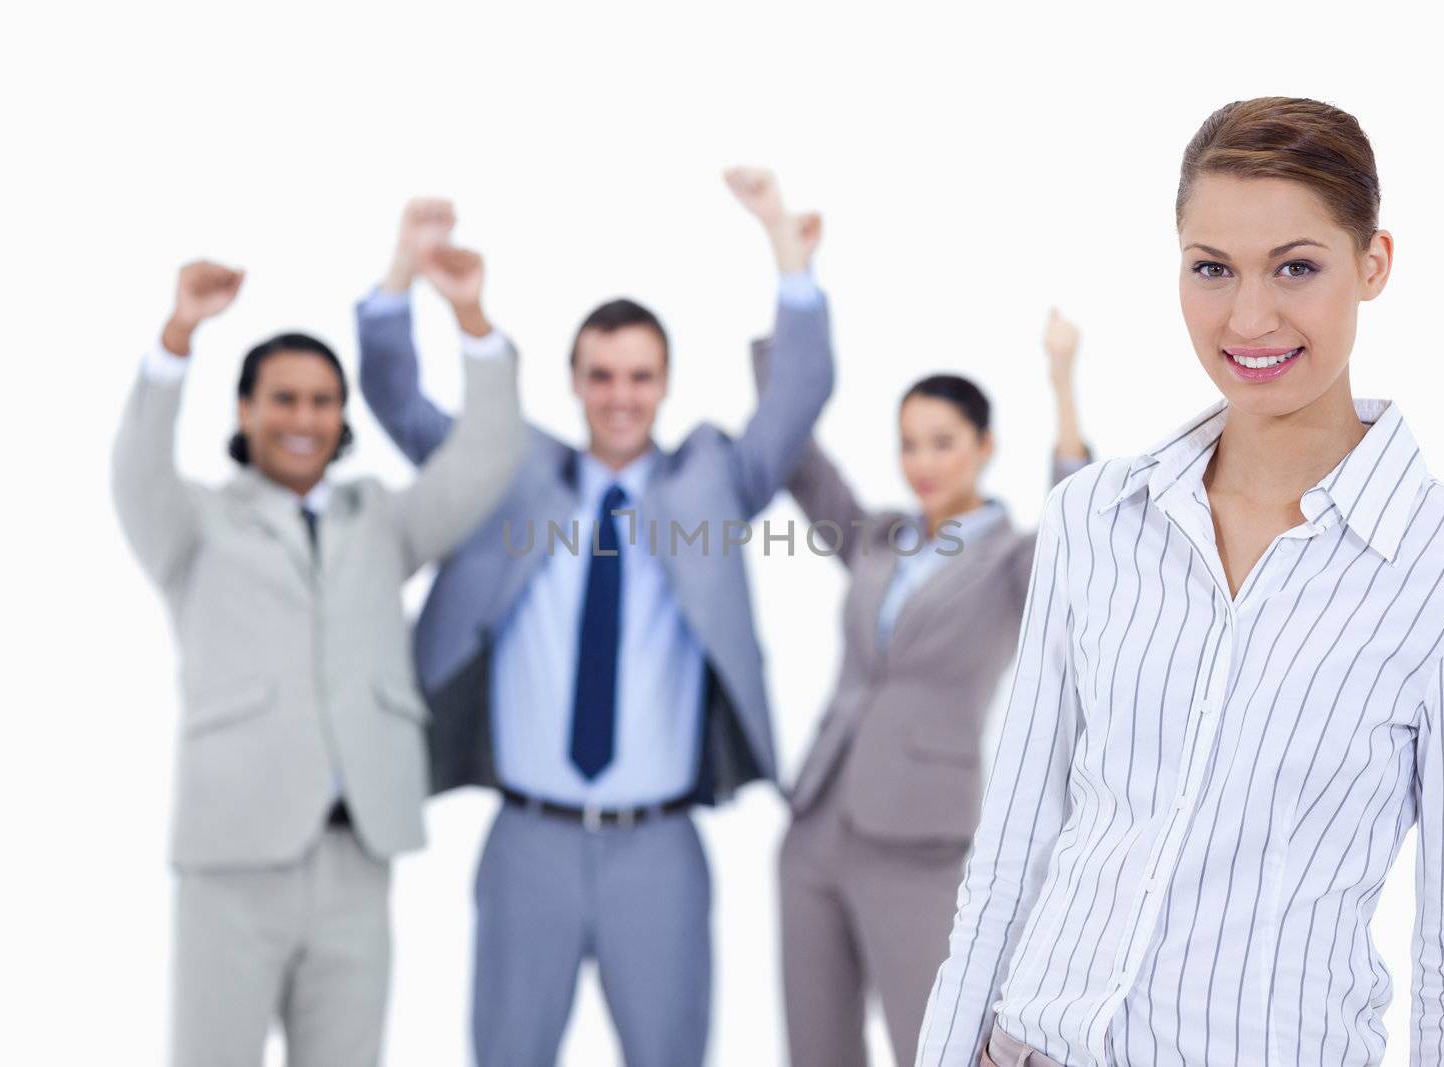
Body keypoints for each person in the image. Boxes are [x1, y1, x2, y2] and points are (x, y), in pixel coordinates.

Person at [916, 96, 1444, 1067]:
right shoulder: (1094, 519)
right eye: (1212, 268)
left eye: (1295, 266)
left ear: (1372, 264)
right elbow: (1009, 856)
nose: (1248, 317)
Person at [356, 172, 834, 1067]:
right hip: (525, 843)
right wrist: (402, 278)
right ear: (573, 381)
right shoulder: (510, 473)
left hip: (660, 850)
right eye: (602, 376)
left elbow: (799, 393)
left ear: (665, 384)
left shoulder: (712, 484)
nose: (621, 395)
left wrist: (785, 247)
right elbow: (397, 401)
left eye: (640, 377)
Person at [111, 257, 525, 1067]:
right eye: (285, 399)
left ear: (342, 416)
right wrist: (179, 334)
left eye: (323, 401)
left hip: (354, 857)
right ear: (247, 409)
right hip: (234, 861)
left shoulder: (379, 519)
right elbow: (135, 471)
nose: (304, 417)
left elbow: (484, 459)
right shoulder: (193, 524)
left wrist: (471, 318)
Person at [757, 310, 1091, 1066]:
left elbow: (1079, 528)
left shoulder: (1011, 563)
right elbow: (799, 462)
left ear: (984, 447)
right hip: (815, 824)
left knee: (934, 1046)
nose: (922, 462)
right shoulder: (878, 536)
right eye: (909, 444)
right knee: (814, 1050)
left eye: (942, 442)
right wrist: (789, 298)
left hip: (917, 839)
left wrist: (1062, 384)